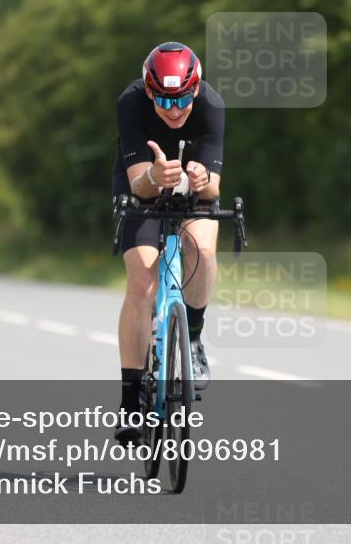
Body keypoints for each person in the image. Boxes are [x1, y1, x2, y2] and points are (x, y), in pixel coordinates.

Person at [112, 41, 225, 444]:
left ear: (196, 89)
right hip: (142, 184)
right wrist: (155, 177)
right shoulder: (131, 103)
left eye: (181, 99)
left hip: (194, 188)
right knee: (143, 283)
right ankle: (129, 403)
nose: (173, 109)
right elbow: (138, 185)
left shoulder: (212, 104)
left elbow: (213, 190)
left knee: (205, 249)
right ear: (147, 90)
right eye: (161, 99)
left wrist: (201, 182)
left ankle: (191, 337)